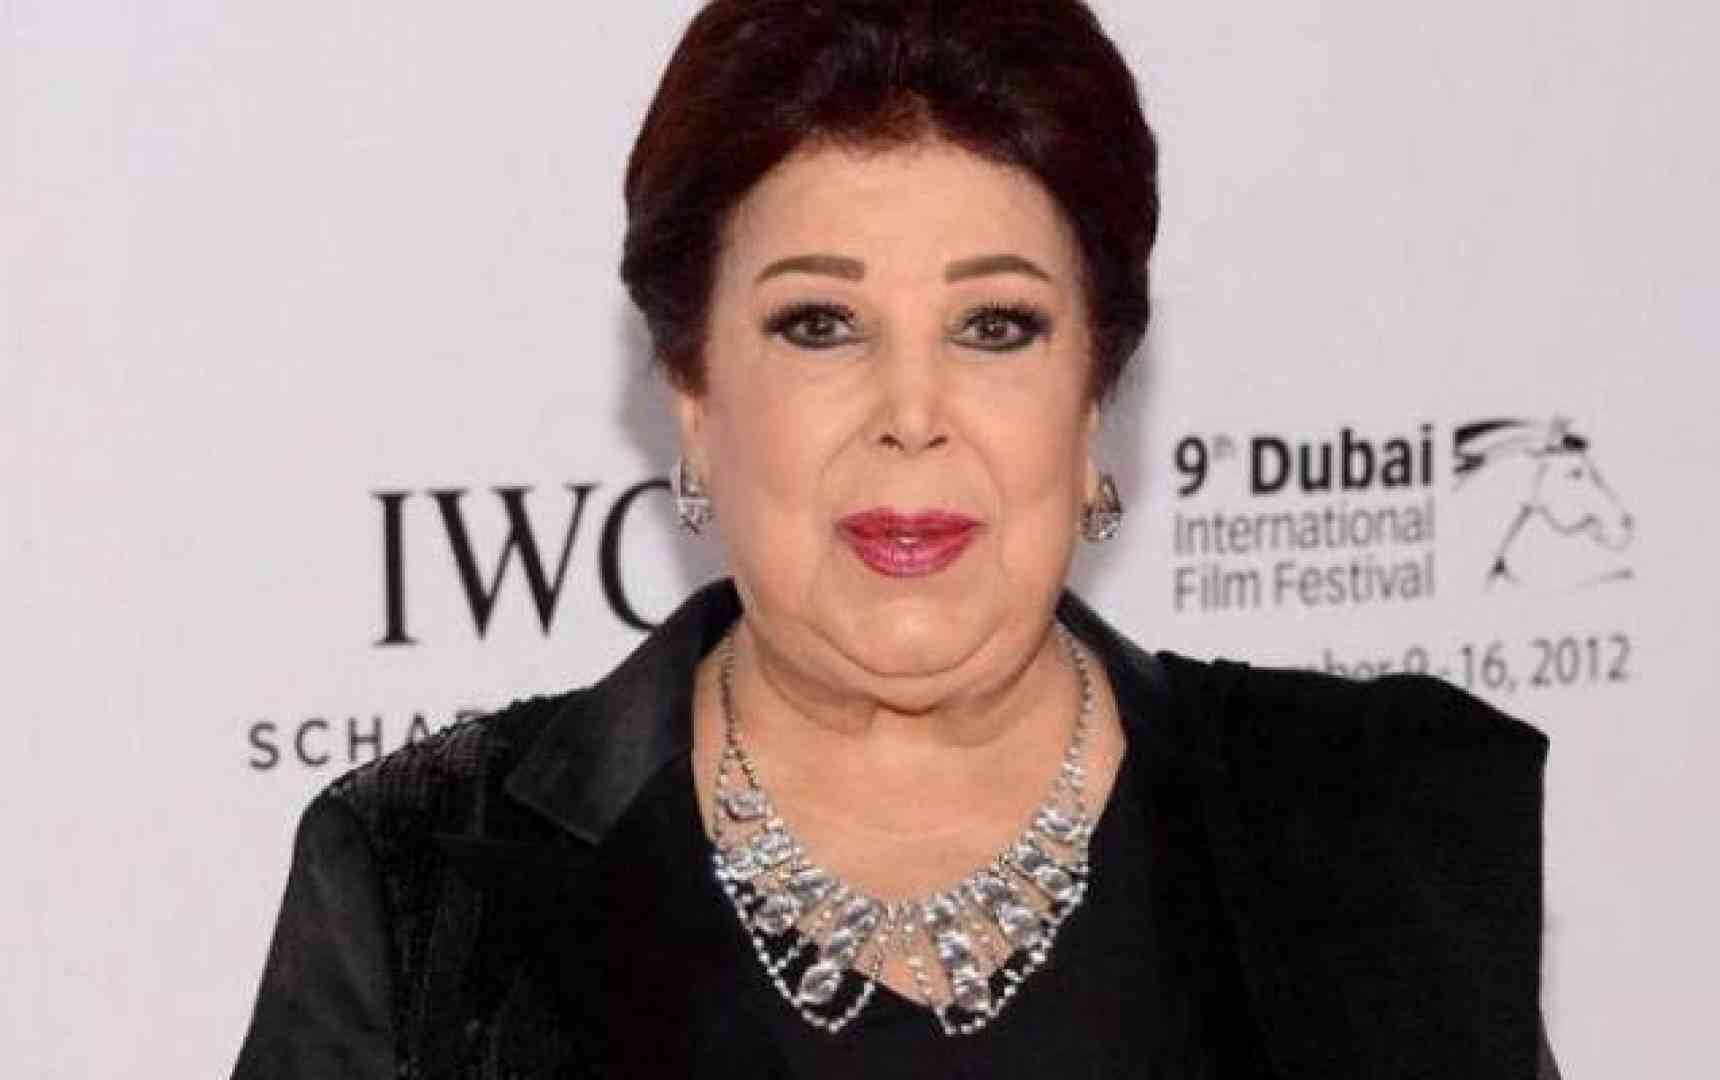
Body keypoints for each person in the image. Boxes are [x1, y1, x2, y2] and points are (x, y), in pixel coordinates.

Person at [232, 1, 1561, 1075]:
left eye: (995, 327)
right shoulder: (426, 884)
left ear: (1092, 393)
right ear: (692, 391)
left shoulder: (1372, 831)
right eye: (820, 326)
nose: (912, 415)